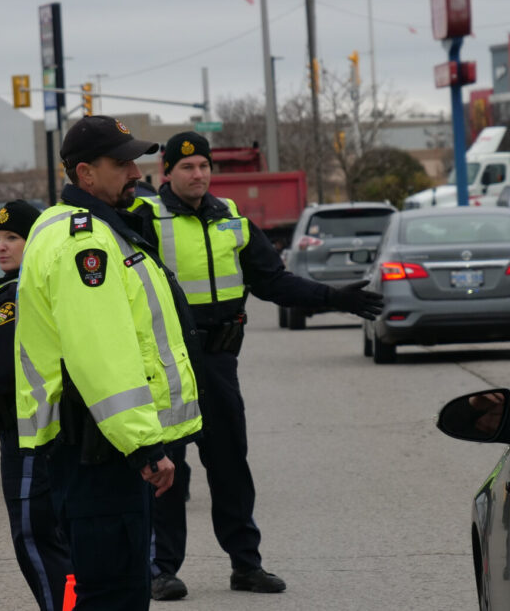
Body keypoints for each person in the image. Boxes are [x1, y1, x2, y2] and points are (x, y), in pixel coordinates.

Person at [132, 131, 384, 600]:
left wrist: (334, 298)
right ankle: (160, 569)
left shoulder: (231, 219)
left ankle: (246, 565)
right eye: (187, 167)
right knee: (169, 471)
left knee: (231, 467)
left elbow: (273, 282)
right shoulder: (144, 218)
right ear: (167, 172)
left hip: (220, 362)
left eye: (204, 166)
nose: (198, 174)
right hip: (167, 364)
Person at [15, 115, 203, 609]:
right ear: (85, 174)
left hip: (96, 446)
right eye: (120, 163)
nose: (135, 172)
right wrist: (145, 447)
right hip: (100, 452)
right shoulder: (86, 242)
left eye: (135, 160)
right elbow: (102, 355)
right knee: (114, 597)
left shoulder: (76, 227)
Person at [0, 200, 75, 611]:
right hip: (32, 429)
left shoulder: (18, 293)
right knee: (51, 538)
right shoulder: (13, 286)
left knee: (35, 536)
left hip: (29, 432)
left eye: (12, 237)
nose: (1, 247)